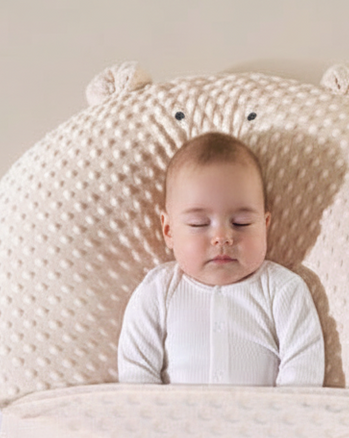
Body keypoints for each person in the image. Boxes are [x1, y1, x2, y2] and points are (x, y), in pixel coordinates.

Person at [118, 132, 324, 386]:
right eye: (199, 223)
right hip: (176, 422)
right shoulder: (157, 292)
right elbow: (136, 373)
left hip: (262, 423)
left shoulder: (283, 290)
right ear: (169, 230)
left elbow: (303, 369)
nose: (222, 238)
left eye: (241, 223)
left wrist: (281, 420)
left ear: (265, 225)